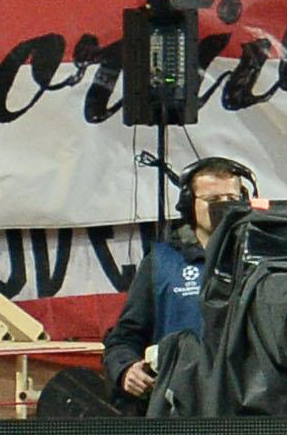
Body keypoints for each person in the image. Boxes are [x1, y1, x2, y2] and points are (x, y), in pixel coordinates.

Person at [106, 155, 252, 411]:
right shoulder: (162, 262)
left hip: (246, 406)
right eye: (213, 201)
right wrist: (126, 369)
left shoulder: (262, 260)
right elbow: (124, 337)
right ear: (188, 206)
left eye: (232, 199)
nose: (225, 209)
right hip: (178, 408)